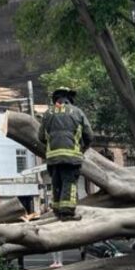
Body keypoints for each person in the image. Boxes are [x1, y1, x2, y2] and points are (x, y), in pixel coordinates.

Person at [38, 87, 94, 221]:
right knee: (69, 183)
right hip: (71, 157)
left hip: (53, 158)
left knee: (56, 183)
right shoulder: (77, 112)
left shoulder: (47, 114)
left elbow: (41, 137)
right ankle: (67, 213)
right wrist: (83, 148)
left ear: (55, 99)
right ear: (69, 98)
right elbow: (89, 135)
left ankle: (57, 211)